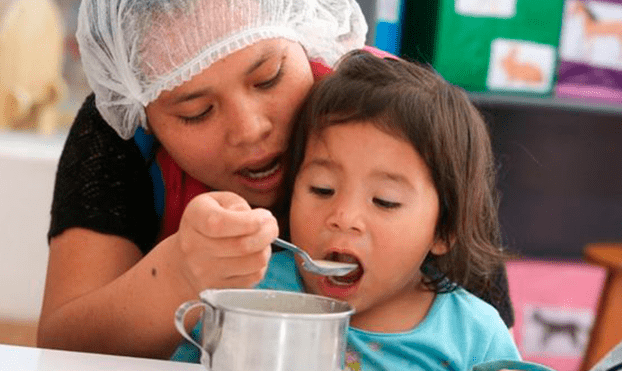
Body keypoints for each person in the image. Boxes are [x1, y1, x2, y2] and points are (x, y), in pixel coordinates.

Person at [37, 0, 513, 360]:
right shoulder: (118, 126)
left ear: (308, 42)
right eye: (196, 112)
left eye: (268, 78)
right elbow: (61, 352)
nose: (250, 130)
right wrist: (179, 274)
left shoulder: (405, 120)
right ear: (142, 116)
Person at [174, 49, 527, 370]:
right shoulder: (251, 292)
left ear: (443, 229)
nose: (343, 216)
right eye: (322, 189)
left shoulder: (475, 335)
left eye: (385, 201)